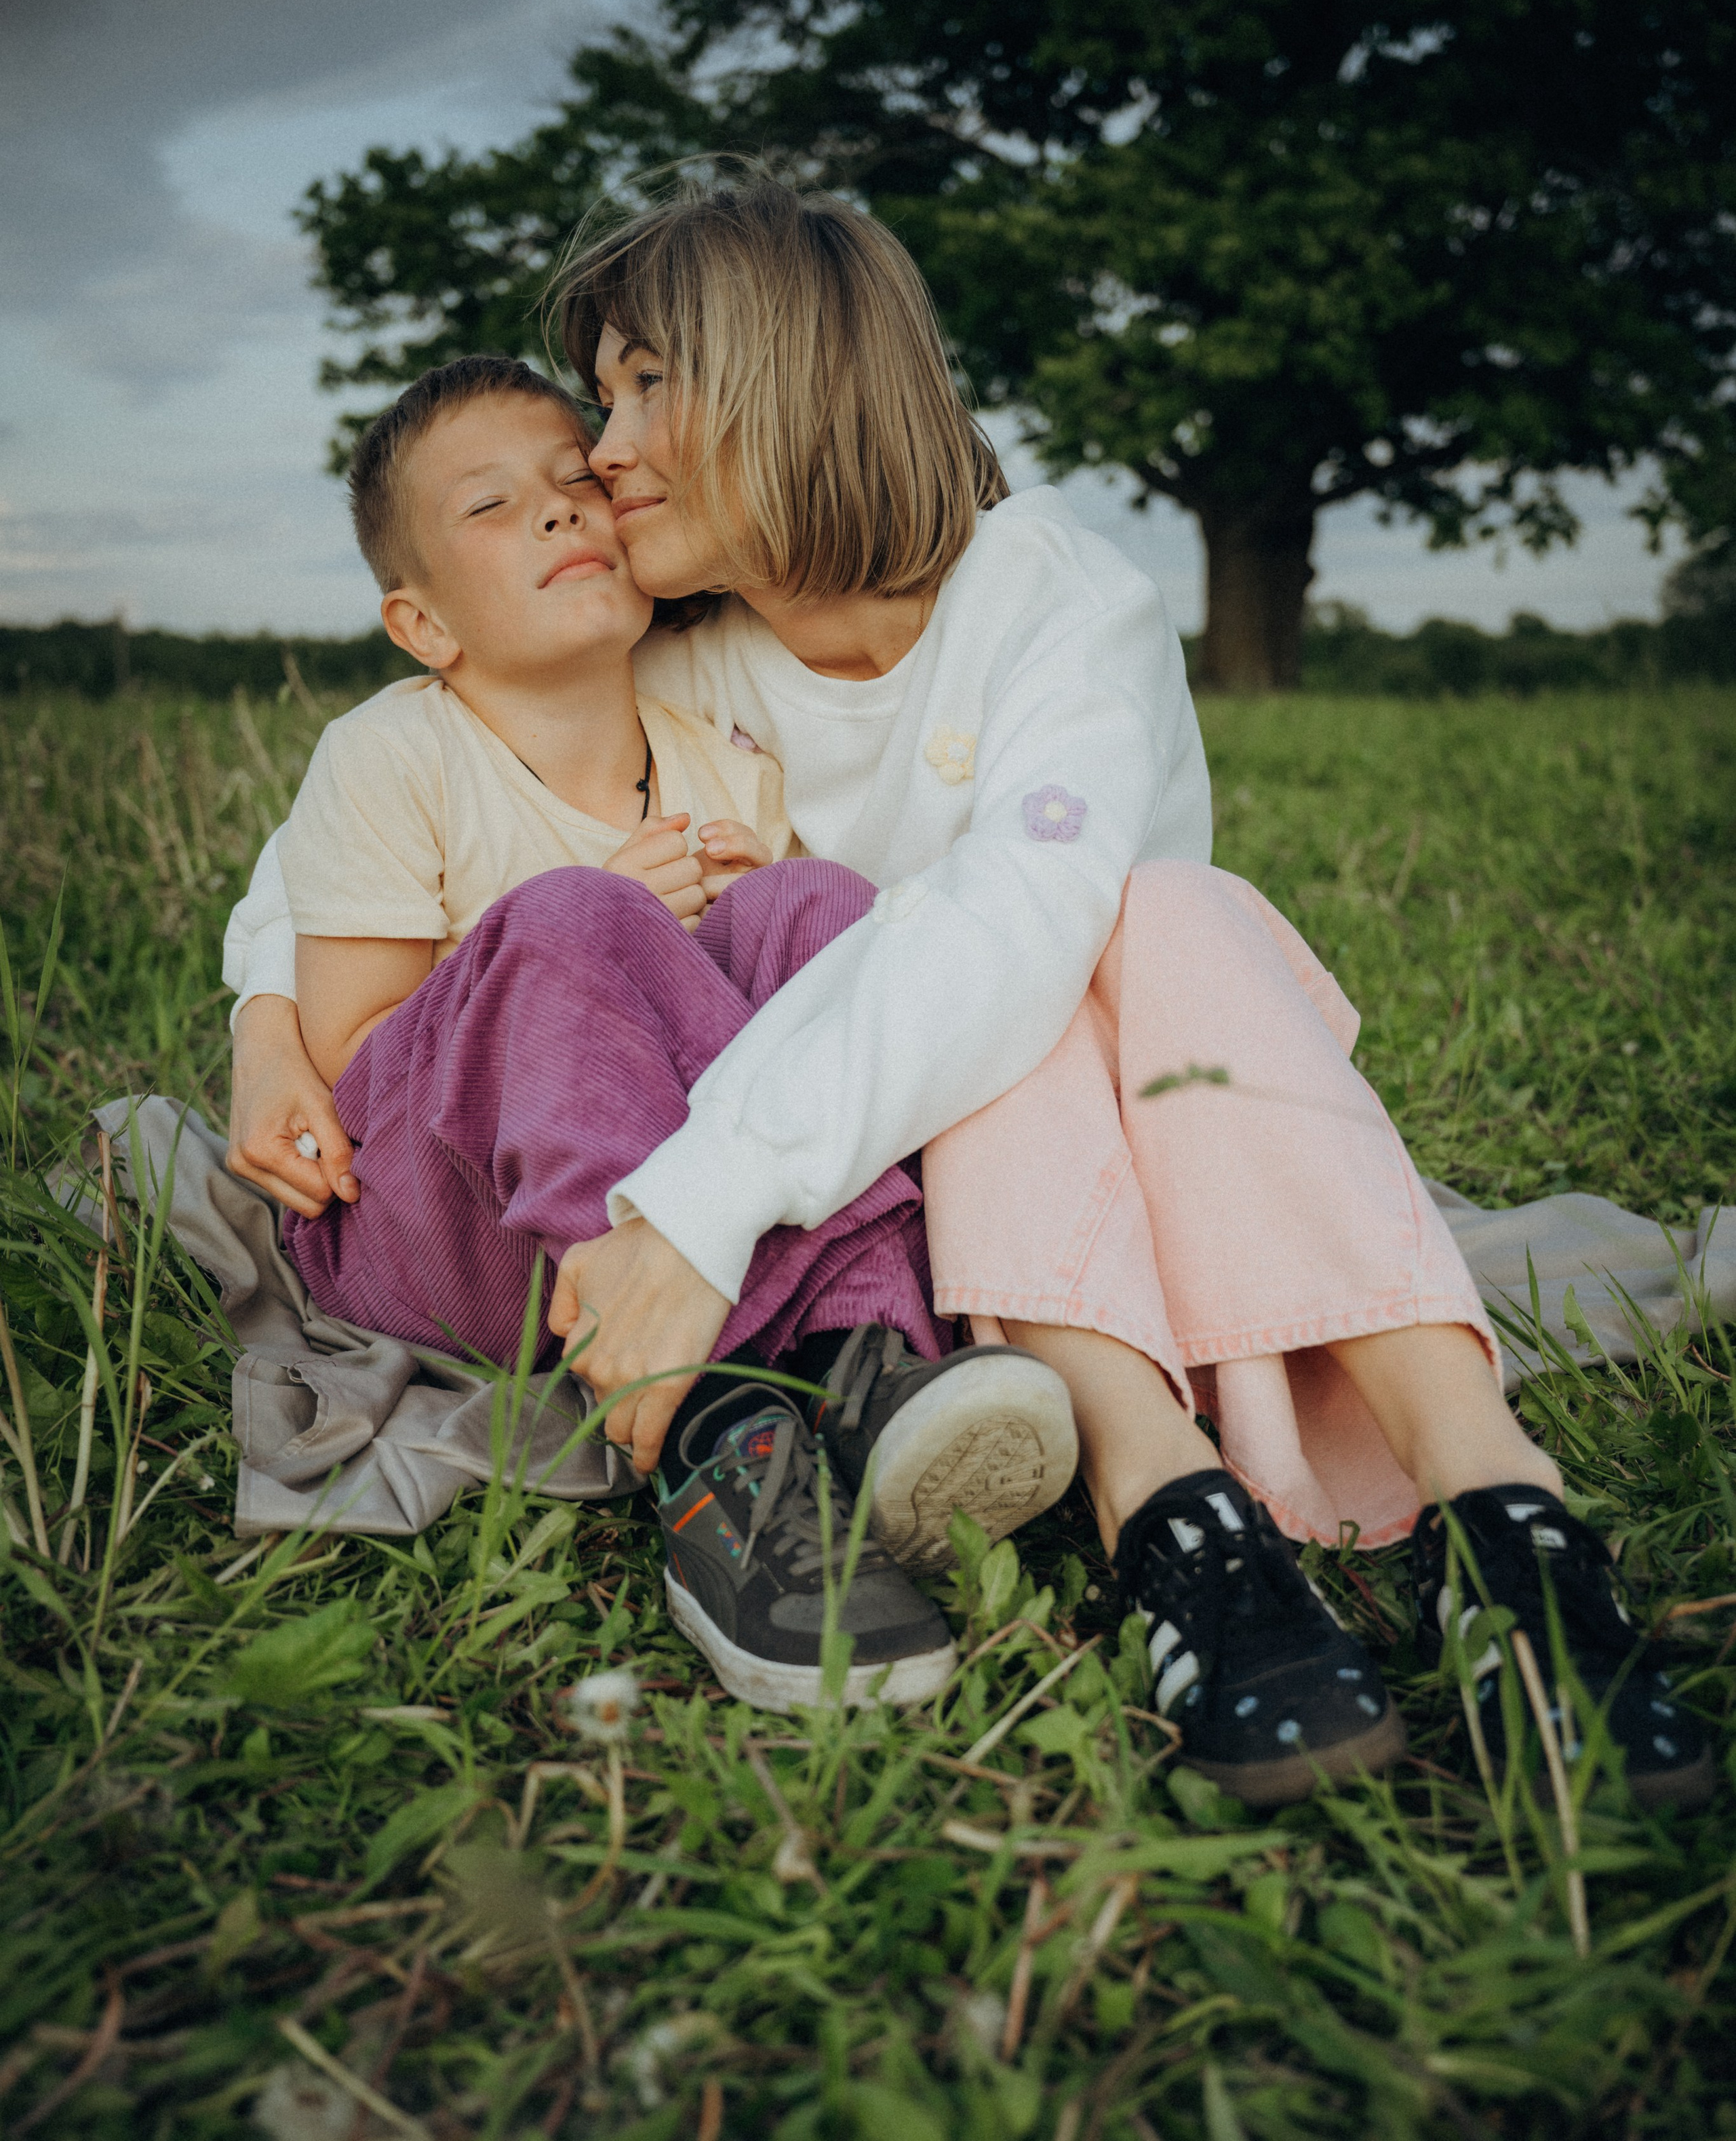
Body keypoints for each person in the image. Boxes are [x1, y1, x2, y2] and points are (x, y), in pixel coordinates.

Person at [225, 182, 1712, 1812]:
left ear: (785, 382)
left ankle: (1501, 1516)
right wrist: (266, 1022)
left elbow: (1018, 921)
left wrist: (704, 1203)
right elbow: (392, 790)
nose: (601, 445)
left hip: (1079, 1129)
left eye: (647, 383)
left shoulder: (1058, 605)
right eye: (606, 389)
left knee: (1145, 918)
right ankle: (1170, 1519)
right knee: (949, 968)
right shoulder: (666, 637)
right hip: (904, 1185)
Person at [256, 350, 1078, 1714]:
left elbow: (784, 1015)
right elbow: (353, 1069)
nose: (559, 512)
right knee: (576, 917)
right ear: (423, 626)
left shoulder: (721, 762)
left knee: (823, 907)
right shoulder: (390, 751)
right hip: (436, 1227)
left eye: (575, 481)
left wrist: (711, 942)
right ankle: (716, 1444)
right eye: (492, 506)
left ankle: (861, 1371)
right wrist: (575, 930)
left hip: (669, 1234)